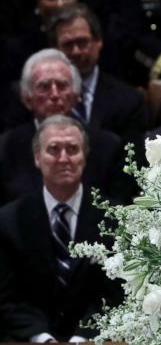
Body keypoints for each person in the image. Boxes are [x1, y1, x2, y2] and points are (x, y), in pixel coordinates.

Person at [0, 115, 121, 342]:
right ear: (37, 158)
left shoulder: (114, 219)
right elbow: (8, 298)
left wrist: (81, 338)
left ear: (84, 157)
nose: (64, 158)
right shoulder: (8, 221)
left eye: (72, 149)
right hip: (28, 339)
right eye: (53, 149)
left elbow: (115, 296)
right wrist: (43, 338)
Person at [0, 50, 128, 205]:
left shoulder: (107, 147)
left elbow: (117, 211)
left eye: (62, 86)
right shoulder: (5, 148)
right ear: (27, 99)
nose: (54, 94)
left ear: (75, 96)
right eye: (44, 86)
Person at [49, 3, 148, 149]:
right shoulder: (41, 98)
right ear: (55, 49)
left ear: (98, 42)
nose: (76, 51)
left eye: (82, 42)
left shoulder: (129, 101)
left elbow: (133, 161)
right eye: (68, 45)